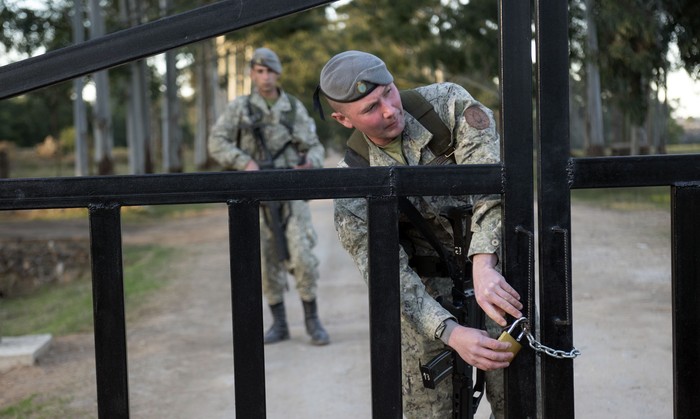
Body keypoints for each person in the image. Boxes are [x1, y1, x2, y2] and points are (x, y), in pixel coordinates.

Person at [315, 50, 523, 418]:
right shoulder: (351, 182)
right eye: (370, 109)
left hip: (496, 271)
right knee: (430, 412)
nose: (390, 110)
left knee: (522, 402)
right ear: (342, 119)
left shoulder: (448, 106)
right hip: (426, 295)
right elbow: (388, 276)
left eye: (389, 93)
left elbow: (494, 187)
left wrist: (484, 263)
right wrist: (450, 332)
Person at [209, 47, 330, 346]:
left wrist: (310, 163)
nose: (265, 77)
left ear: (278, 73)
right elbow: (217, 142)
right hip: (255, 197)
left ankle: (312, 319)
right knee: (265, 260)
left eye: (270, 71)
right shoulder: (240, 108)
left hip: (290, 193)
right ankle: (279, 323)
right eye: (259, 71)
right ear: (252, 73)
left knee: (303, 256)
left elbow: (315, 146)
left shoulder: (292, 108)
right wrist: (244, 163)